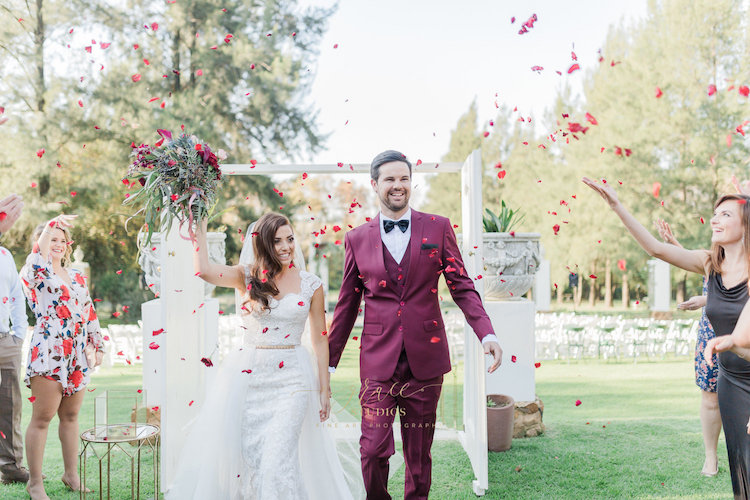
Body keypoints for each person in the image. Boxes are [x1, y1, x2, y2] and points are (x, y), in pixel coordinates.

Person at [328, 150, 504, 499]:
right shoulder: (356, 239)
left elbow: (462, 286)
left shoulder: (438, 227)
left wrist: (487, 332)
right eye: (390, 179)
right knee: (373, 449)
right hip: (378, 363)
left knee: (418, 455)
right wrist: (328, 363)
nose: (398, 185)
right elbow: (348, 303)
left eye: (404, 178)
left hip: (426, 359)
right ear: (375, 184)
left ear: (412, 183)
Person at [166, 213, 355, 499]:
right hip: (249, 378)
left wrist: (324, 388)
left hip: (293, 379)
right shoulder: (246, 276)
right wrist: (199, 224)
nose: (286, 247)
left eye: (290, 239)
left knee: (278, 460)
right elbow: (204, 270)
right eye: (277, 241)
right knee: (254, 462)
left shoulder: (311, 284)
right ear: (264, 244)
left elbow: (319, 338)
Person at [583, 177, 750, 499]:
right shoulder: (710, 264)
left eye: (726, 214)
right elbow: (656, 248)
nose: (715, 219)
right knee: (742, 470)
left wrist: (732, 342)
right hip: (731, 382)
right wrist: (617, 206)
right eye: (715, 214)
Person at [19, 215, 104, 500]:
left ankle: (71, 475)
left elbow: (88, 311)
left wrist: (98, 344)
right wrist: (52, 223)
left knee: (70, 416)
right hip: (49, 350)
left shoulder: (78, 276)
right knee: (42, 417)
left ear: (68, 246)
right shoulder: (35, 271)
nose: (57, 244)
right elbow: (37, 257)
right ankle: (35, 483)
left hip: (76, 353)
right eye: (51, 239)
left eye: (62, 240)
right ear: (41, 243)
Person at [655, 219, 721, 477]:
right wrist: (672, 243)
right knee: (709, 396)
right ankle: (711, 457)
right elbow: (694, 263)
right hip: (710, 333)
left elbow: (739, 295)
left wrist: (704, 299)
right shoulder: (711, 259)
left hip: (740, 332)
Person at [0, 193, 30, 485]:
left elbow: (17, 298)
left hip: (6, 341)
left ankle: (11, 467)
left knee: (11, 407)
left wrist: (18, 336)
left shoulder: (6, 256)